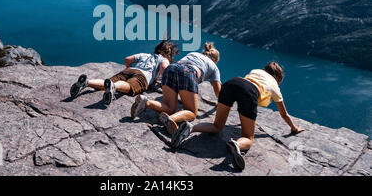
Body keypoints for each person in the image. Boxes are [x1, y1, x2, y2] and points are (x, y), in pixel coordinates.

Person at [171, 62, 305, 171]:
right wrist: (294, 128)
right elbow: (284, 114)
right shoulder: (275, 86)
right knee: (248, 138)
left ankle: (191, 127)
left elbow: (242, 87)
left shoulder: (256, 70)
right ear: (278, 78)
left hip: (232, 83)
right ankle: (237, 144)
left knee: (217, 126)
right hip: (249, 92)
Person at [130, 42, 222, 135]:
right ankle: (171, 119)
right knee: (191, 113)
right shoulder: (214, 67)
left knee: (170, 108)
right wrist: (221, 105)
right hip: (188, 73)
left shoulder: (193, 53)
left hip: (171, 69)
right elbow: (218, 92)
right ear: (215, 60)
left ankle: (146, 102)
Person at [69, 40, 179, 105]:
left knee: (105, 83)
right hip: (143, 77)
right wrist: (166, 82)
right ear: (168, 55)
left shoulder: (146, 55)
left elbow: (128, 59)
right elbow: (164, 68)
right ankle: (114, 87)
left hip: (130, 70)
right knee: (130, 86)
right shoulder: (164, 60)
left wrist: (128, 69)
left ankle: (86, 83)